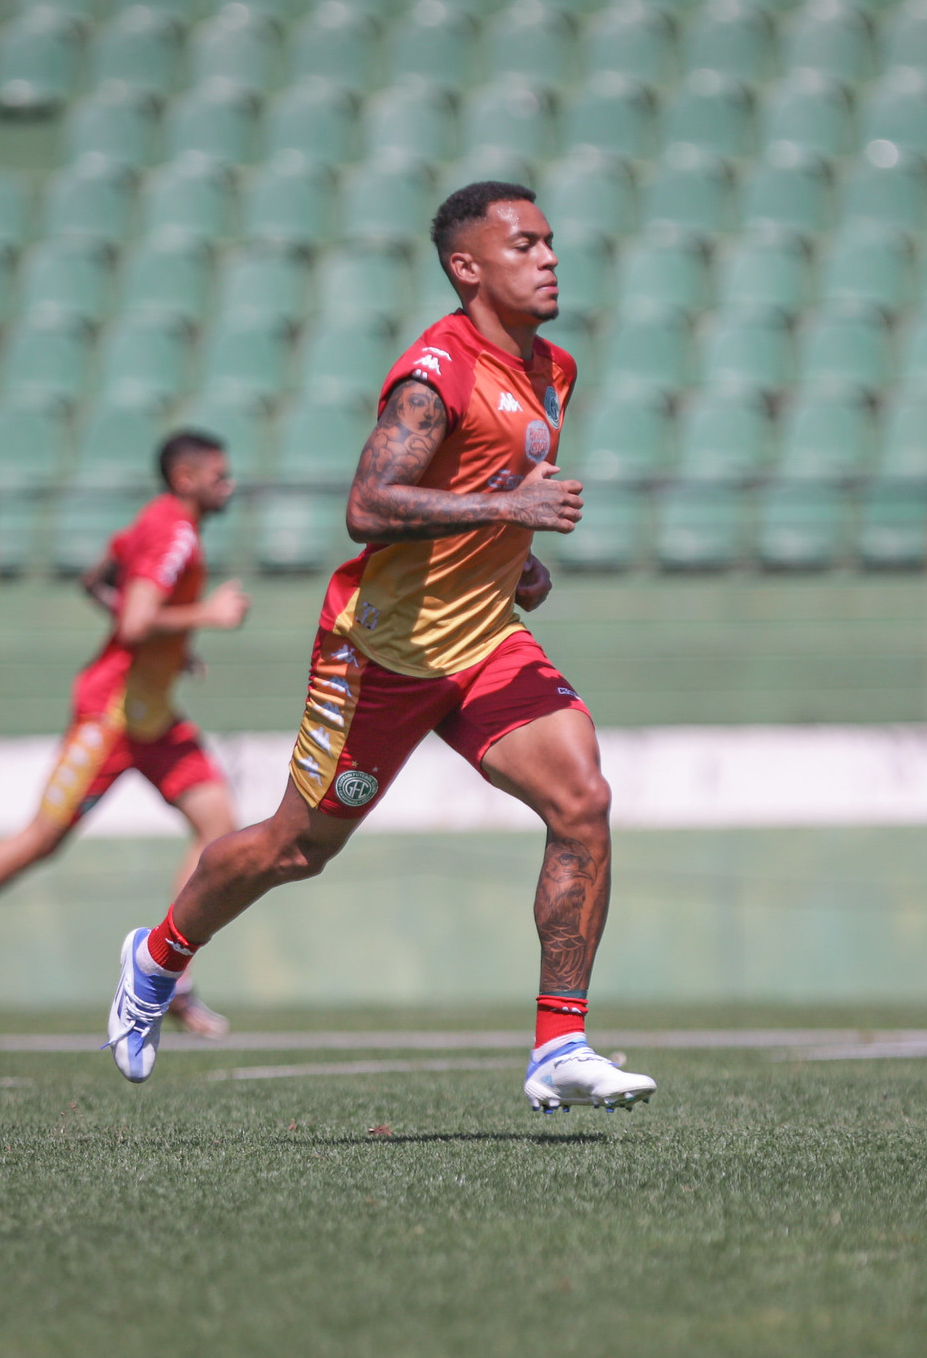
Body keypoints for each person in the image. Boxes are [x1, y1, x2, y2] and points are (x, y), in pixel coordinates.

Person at [103, 180, 656, 1114]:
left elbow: (489, 482)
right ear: (466, 267)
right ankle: (155, 958)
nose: (550, 257)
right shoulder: (435, 370)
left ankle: (559, 1041)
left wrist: (512, 559)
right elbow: (368, 505)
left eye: (551, 241)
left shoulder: (554, 367)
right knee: (294, 848)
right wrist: (510, 511)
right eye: (525, 244)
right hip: (383, 654)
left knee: (582, 798)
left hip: (484, 640)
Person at [0, 432, 250, 1036]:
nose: (228, 485)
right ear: (184, 478)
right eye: (219, 474)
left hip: (151, 714)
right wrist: (204, 617)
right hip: (113, 717)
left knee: (218, 826)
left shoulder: (155, 524)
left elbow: (95, 581)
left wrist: (173, 646)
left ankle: (169, 974)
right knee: (41, 840)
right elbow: (133, 622)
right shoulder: (175, 530)